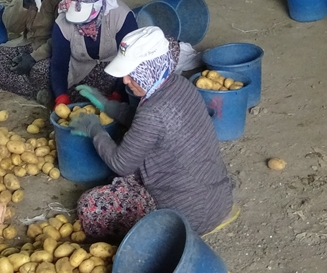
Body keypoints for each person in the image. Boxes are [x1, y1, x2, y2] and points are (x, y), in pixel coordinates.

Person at [69, 26, 235, 241]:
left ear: (149, 69)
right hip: (217, 197)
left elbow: (121, 163)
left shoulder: (152, 111)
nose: (125, 80)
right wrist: (107, 105)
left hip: (189, 216)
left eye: (132, 73)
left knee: (90, 206)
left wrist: (94, 129)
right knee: (127, 154)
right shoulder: (178, 84)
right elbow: (150, 124)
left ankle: (161, 230)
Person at [49, 0, 139, 107]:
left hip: (115, 72)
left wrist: (117, 95)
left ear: (99, 7)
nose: (82, 25)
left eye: (86, 19)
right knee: (43, 73)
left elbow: (131, 60)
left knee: (132, 90)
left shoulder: (121, 16)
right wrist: (61, 96)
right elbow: (59, 64)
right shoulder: (62, 24)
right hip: (80, 71)